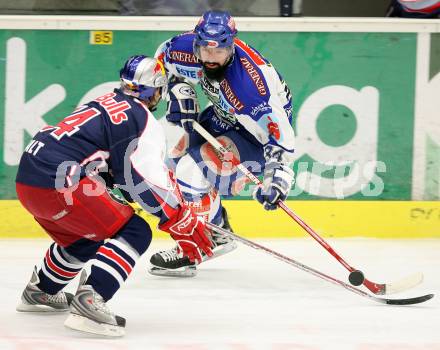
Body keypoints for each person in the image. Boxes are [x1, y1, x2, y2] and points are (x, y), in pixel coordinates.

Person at [15, 55, 213, 337]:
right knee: (135, 231)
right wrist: (178, 217)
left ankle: (42, 291)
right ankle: (91, 299)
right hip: (60, 184)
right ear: (156, 90)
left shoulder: (104, 100)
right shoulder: (141, 119)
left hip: (28, 179)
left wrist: (120, 187)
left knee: (85, 236)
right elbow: (146, 180)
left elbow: (109, 165)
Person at [148, 10, 295, 277]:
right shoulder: (183, 49)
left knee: (190, 172)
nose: (210, 58)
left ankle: (195, 248)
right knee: (171, 164)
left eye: (219, 52)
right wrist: (180, 89)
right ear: (196, 42)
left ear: (232, 46)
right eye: (204, 49)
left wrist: (277, 178)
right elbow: (161, 61)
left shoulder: (250, 87)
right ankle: (218, 232)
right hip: (221, 116)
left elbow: (280, 136)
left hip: (255, 136)